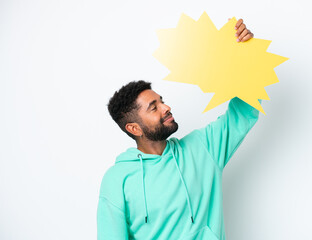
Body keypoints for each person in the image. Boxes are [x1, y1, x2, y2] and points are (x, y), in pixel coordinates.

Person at [97, 18, 260, 240]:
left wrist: (247, 55)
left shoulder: (203, 148)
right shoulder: (117, 179)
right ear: (134, 127)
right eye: (154, 107)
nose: (166, 107)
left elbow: (244, 111)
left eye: (161, 100)